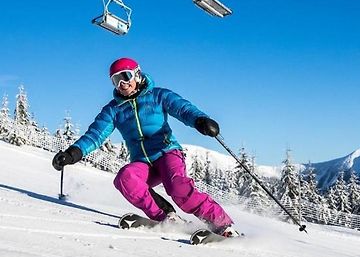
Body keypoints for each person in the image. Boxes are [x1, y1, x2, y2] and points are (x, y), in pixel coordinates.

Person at [52, 57, 239, 237]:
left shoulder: (158, 95)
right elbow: (95, 135)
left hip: (166, 153)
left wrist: (200, 120)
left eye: (125, 76)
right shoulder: (113, 110)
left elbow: (183, 109)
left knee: (178, 189)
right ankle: (167, 218)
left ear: (137, 74)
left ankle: (223, 225)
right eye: (115, 80)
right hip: (143, 162)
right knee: (126, 178)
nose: (121, 83)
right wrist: (72, 153)